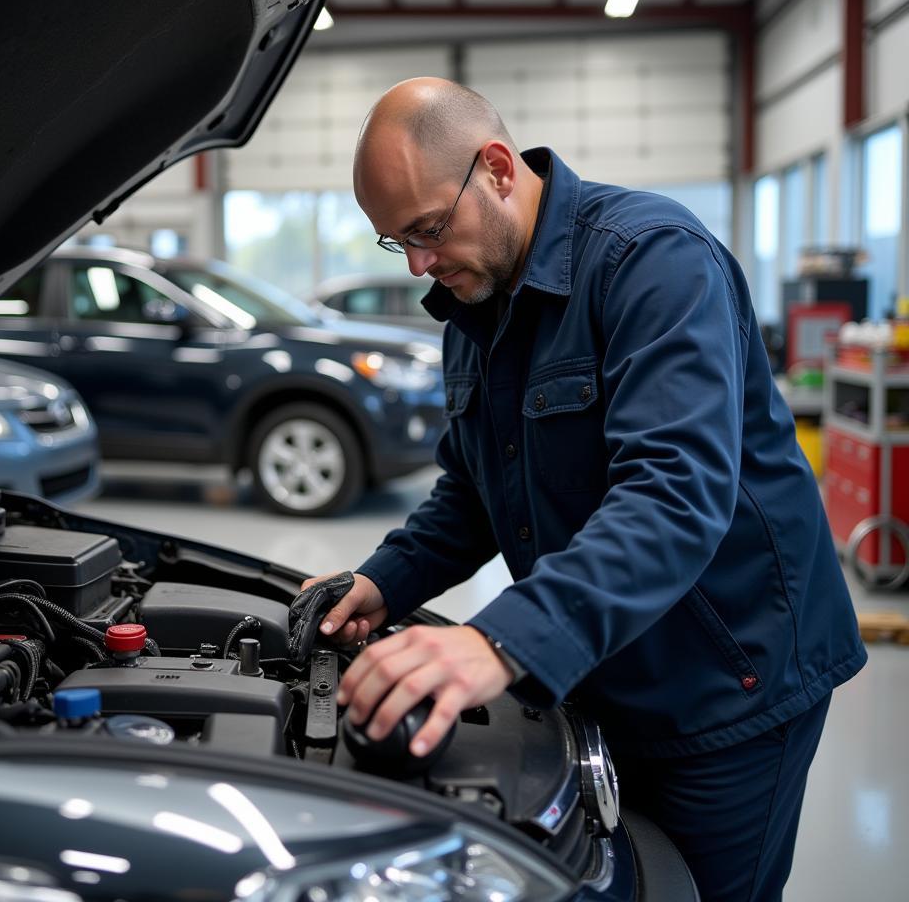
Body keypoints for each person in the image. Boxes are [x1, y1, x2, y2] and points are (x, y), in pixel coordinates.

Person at [302, 77, 866, 902]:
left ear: (496, 168)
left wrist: (500, 642)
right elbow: (472, 491)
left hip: (729, 683)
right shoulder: (474, 299)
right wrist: (385, 578)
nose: (421, 264)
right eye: (398, 243)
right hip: (603, 673)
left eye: (427, 229)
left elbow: (674, 494)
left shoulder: (653, 262)